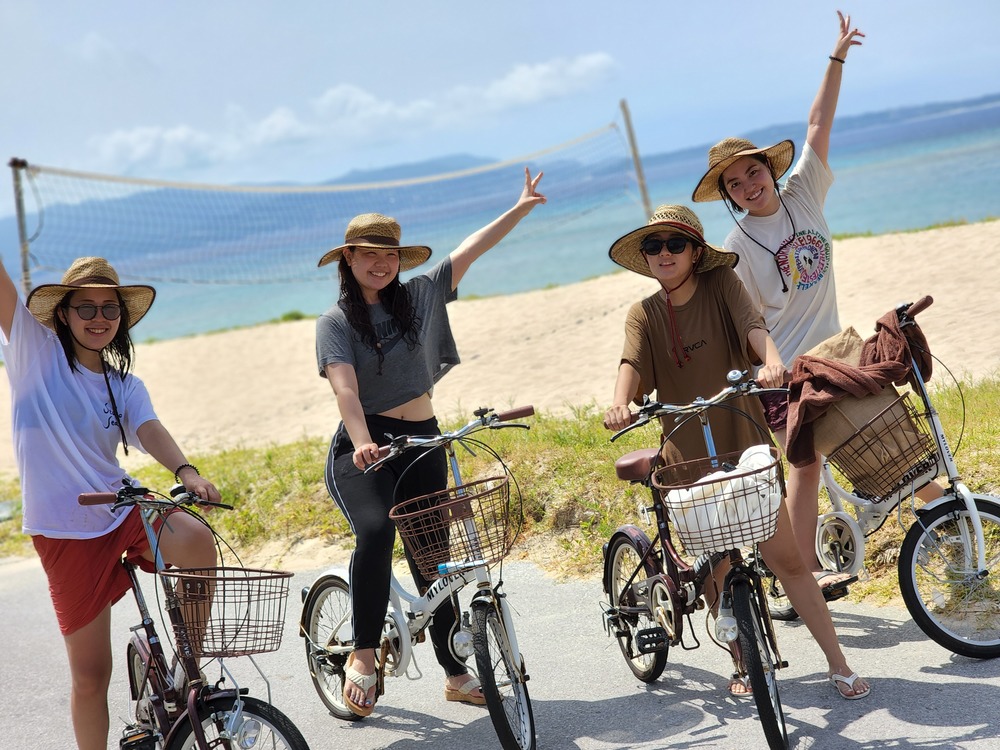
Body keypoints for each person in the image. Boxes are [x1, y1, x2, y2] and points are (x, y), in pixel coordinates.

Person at [603, 203, 869, 700]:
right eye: (653, 246)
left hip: (744, 441)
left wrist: (772, 362)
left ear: (695, 251)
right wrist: (619, 403)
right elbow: (630, 364)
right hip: (687, 454)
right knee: (715, 566)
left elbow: (754, 328)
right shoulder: (644, 313)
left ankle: (839, 663)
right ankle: (741, 659)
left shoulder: (722, 285)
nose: (664, 253)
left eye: (675, 243)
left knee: (787, 561)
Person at [317, 168, 546, 716]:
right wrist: (362, 442)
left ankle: (454, 673)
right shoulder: (335, 322)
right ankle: (363, 653)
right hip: (366, 446)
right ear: (349, 258)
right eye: (370, 255)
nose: (381, 264)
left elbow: (471, 250)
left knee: (434, 555)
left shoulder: (420, 295)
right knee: (377, 532)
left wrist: (520, 207)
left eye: (390, 255)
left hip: (423, 438)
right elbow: (346, 391)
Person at [0, 256, 220, 750]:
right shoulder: (34, 355)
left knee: (195, 539)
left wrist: (187, 472)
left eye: (109, 308)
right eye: (86, 307)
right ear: (63, 314)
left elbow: (148, 428)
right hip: (64, 531)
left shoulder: (124, 385)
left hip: (122, 506)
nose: (98, 318)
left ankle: (187, 667)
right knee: (91, 676)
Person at [690, 11, 867, 597]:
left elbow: (818, 122)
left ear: (769, 168)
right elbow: (745, 322)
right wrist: (768, 367)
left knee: (878, 429)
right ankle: (801, 577)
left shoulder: (804, 191)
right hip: (786, 373)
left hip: (836, 353)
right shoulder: (736, 247)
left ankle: (943, 515)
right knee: (806, 465)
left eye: (753, 172)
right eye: (734, 184)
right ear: (728, 196)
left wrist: (836, 57)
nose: (748, 186)